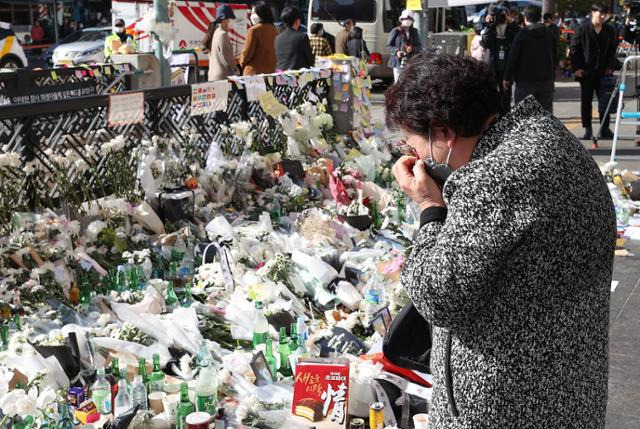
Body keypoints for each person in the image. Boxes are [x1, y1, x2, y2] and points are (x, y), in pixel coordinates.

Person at [386, 53, 614, 429]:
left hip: (506, 404)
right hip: (571, 388)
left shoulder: (492, 180)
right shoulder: (551, 139)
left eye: (414, 145)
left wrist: (429, 207)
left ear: (444, 133)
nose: (417, 158)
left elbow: (438, 299)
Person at [570, 3, 618, 140]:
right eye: (600, 13)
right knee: (586, 101)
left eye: (605, 14)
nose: (602, 16)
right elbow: (574, 49)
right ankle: (588, 129)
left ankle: (605, 128)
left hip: (604, 72)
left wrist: (610, 66)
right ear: (593, 12)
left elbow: (612, 51)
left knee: (605, 101)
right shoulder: (582, 29)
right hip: (586, 72)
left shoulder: (609, 30)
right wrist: (577, 68)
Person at [503, 6, 557, 112]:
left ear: (525, 18)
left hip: (525, 82)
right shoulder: (549, 34)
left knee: (524, 118)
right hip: (546, 81)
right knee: (545, 118)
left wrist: (507, 77)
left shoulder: (522, 34)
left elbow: (513, 57)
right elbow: (555, 55)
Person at [481, 2, 520, 112]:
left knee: (506, 98)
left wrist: (512, 23)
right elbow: (485, 43)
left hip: (507, 69)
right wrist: (488, 25)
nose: (501, 18)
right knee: (491, 97)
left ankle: (505, 119)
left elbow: (520, 37)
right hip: (492, 67)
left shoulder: (512, 29)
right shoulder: (491, 28)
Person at [239, 1, 277, 75]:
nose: (251, 16)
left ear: (261, 13)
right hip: (270, 73)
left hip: (253, 74)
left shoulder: (253, 30)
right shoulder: (274, 30)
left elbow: (246, 54)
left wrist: (241, 63)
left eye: (253, 13)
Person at [204, 4, 237, 81]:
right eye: (229, 19)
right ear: (224, 20)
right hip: (223, 78)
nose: (230, 22)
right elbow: (227, 58)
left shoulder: (215, 32)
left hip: (213, 76)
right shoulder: (223, 34)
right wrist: (236, 70)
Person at [386, 10, 421, 82]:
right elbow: (389, 45)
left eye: (409, 19)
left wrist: (413, 48)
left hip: (411, 62)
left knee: (409, 83)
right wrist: (396, 52)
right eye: (405, 19)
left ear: (412, 21)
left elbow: (419, 46)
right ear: (401, 20)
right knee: (398, 82)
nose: (407, 20)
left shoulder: (414, 31)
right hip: (398, 62)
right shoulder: (395, 31)